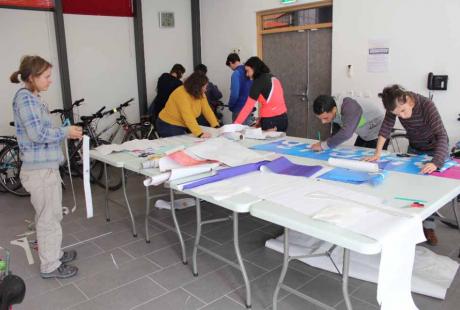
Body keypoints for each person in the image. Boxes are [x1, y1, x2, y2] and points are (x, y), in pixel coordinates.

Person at [11, 55, 82, 278]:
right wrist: (64, 132)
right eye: (46, 76)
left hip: (46, 169)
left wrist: (63, 131)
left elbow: (43, 131)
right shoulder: (25, 100)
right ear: (32, 77)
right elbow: (37, 134)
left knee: (52, 215)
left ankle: (54, 253)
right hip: (39, 172)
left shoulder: (34, 97)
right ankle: (50, 265)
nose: (50, 80)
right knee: (47, 218)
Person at [364, 84, 449, 246]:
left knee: (429, 189)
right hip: (415, 148)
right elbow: (385, 130)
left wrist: (435, 162)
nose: (402, 117)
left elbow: (442, 136)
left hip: (435, 147)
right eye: (397, 114)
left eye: (403, 111)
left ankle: (428, 227)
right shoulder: (394, 106)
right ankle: (409, 224)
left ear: (408, 100)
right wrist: (377, 153)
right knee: (410, 185)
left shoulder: (427, 105)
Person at [311, 95, 386, 151]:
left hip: (378, 133)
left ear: (333, 110)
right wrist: (324, 143)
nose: (323, 122)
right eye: (321, 119)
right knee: (357, 157)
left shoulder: (350, 106)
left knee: (370, 162)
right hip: (364, 133)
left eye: (325, 118)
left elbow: (346, 133)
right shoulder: (335, 109)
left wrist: (323, 145)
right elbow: (336, 133)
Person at [156, 71, 219, 138]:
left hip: (184, 123)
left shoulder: (200, 93)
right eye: (204, 87)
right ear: (196, 87)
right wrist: (199, 134)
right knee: (182, 144)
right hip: (168, 124)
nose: (205, 90)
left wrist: (215, 125)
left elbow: (207, 110)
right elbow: (187, 115)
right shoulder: (181, 94)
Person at [233, 56, 288, 132]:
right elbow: (276, 102)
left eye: (248, 71)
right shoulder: (273, 78)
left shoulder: (258, 82)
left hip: (271, 122)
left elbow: (248, 107)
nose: (247, 74)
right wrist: (262, 118)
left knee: (268, 144)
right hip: (283, 119)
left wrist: (235, 125)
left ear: (254, 69)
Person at [226, 53, 253, 125]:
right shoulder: (249, 71)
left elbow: (234, 94)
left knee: (237, 134)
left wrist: (230, 105)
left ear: (230, 63)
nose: (231, 68)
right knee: (247, 132)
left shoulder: (236, 73)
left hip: (239, 109)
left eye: (230, 66)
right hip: (249, 107)